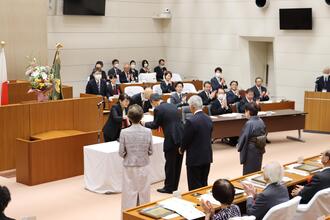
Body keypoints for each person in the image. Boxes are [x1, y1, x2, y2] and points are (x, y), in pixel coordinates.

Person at [143, 93, 184, 194]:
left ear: (153, 102)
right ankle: (174, 186)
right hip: (181, 137)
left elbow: (155, 125)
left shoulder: (158, 109)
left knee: (170, 164)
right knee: (177, 164)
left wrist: (144, 123)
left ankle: (168, 187)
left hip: (171, 139)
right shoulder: (173, 106)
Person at [119, 104, 153, 210]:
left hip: (129, 166)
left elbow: (121, 152)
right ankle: (144, 213)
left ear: (128, 117)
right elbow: (151, 151)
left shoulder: (124, 132)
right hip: (144, 165)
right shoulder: (148, 131)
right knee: (144, 192)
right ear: (142, 117)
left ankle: (128, 215)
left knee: (129, 193)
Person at [180, 95, 213, 191]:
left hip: (195, 158)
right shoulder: (208, 118)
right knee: (204, 182)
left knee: (195, 186)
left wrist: (181, 149)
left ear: (193, 107)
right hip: (207, 156)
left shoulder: (191, 121)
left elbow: (186, 139)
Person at [237, 102, 266, 175]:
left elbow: (244, 137)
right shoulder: (261, 120)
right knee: (257, 167)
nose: (245, 113)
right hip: (260, 146)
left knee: (249, 170)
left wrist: (239, 146)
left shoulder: (249, 123)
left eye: (245, 111)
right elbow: (265, 132)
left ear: (248, 112)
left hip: (251, 149)